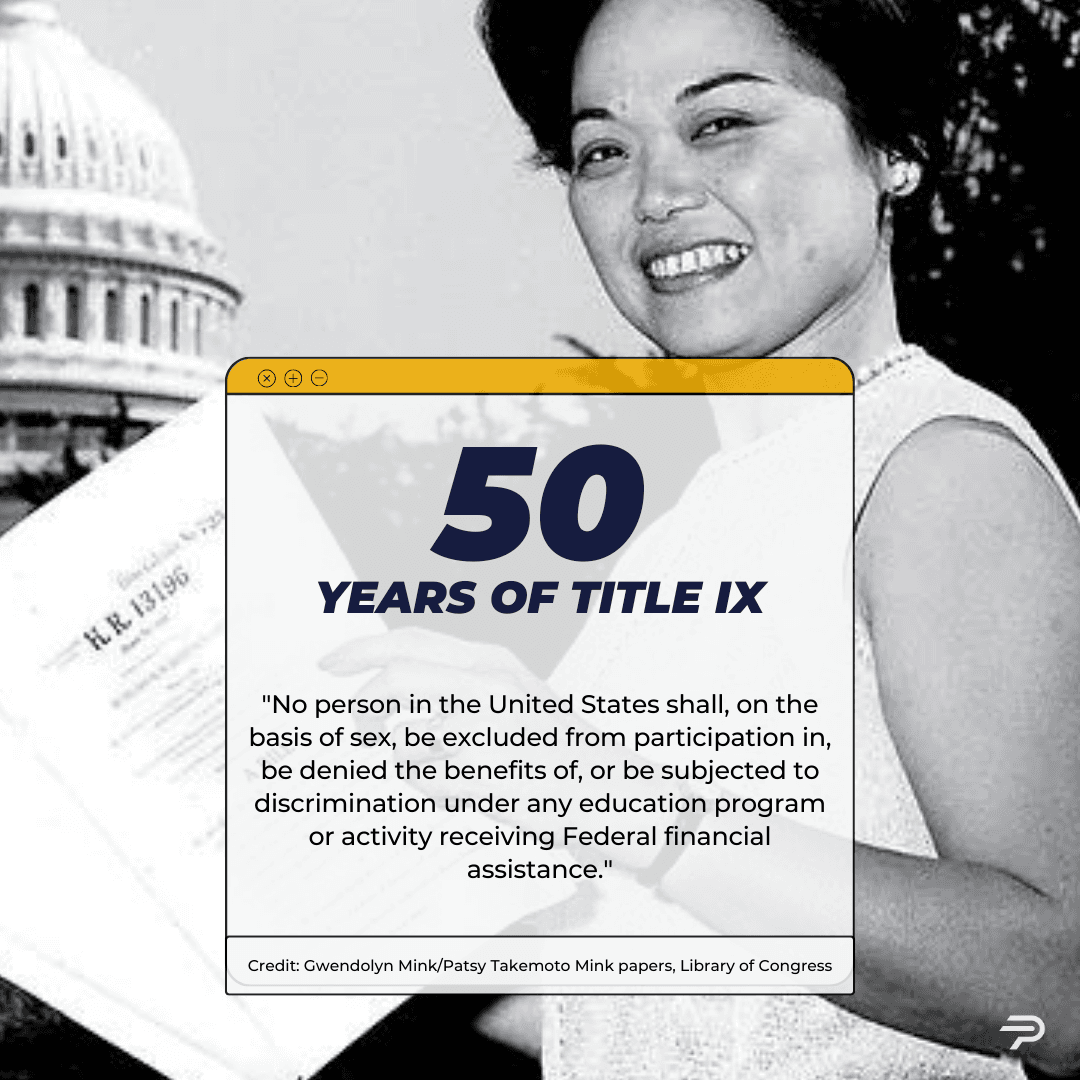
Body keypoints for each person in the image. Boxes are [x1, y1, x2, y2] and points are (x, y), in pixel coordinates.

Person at [323, 0, 1080, 1075]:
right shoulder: (697, 520)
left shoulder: (935, 468)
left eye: (722, 123)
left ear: (897, 146)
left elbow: (1058, 998)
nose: (658, 194)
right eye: (601, 151)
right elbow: (705, 997)